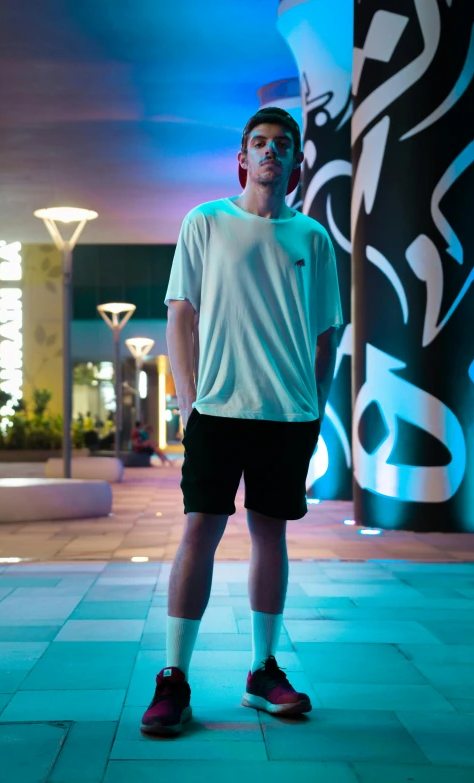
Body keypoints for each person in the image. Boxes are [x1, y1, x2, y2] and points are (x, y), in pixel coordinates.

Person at [140, 106, 342, 736]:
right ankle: (174, 678)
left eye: (284, 145)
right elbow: (181, 314)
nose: (272, 153)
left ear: (297, 162)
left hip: (289, 414)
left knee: (270, 535)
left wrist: (316, 405)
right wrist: (186, 400)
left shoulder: (312, 237)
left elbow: (327, 334)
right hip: (217, 409)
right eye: (260, 144)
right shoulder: (206, 222)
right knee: (200, 530)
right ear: (242, 159)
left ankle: (262, 670)